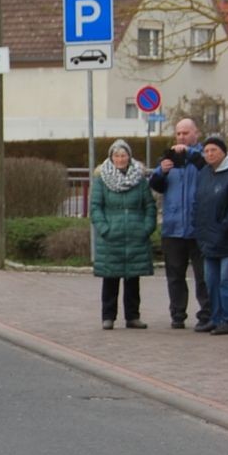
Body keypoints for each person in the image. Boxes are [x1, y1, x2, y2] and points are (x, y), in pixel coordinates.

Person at [148, 118, 211, 330]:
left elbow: (208, 171)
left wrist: (190, 154)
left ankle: (206, 314)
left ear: (196, 134)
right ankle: (177, 314)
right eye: (178, 134)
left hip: (198, 227)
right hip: (173, 228)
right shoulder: (169, 158)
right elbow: (156, 186)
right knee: (175, 276)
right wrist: (161, 171)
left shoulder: (204, 156)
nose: (181, 137)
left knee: (204, 276)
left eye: (186, 133)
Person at [90, 139, 156, 330]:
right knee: (110, 278)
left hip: (135, 235)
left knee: (133, 279)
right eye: (117, 155)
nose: (120, 159)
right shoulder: (102, 180)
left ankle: (133, 317)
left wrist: (146, 228)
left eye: (123, 155)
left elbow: (149, 206)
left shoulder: (140, 180)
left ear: (129, 156)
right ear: (111, 158)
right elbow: (95, 208)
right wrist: (105, 229)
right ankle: (108, 317)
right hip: (111, 236)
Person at [191, 136, 228, 336]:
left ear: (223, 152)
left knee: (227, 281)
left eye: (213, 150)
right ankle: (215, 319)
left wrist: (224, 227)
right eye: (206, 151)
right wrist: (197, 226)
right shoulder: (204, 174)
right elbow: (198, 203)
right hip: (208, 239)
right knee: (211, 281)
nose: (209, 154)